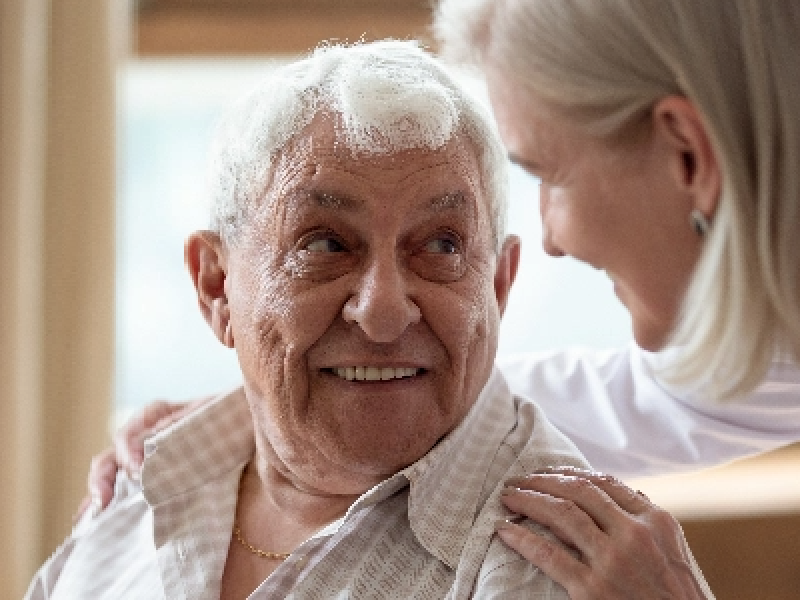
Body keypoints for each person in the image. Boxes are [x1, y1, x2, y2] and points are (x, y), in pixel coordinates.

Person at [82, 0, 800, 598]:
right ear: (214, 280)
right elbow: (660, 399)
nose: (551, 235)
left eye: (549, 172)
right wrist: (274, 393)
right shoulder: (141, 499)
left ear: (687, 157)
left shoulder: (524, 573)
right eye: (327, 244)